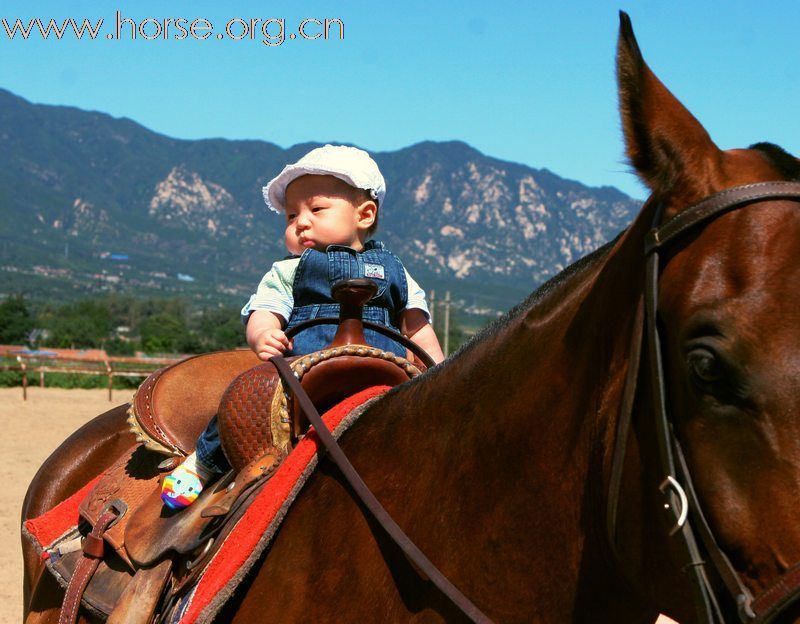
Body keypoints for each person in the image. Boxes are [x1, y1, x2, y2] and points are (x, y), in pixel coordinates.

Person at [161, 145, 445, 509]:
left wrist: (436, 370)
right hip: (301, 369)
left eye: (316, 209)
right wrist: (263, 335)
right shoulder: (289, 271)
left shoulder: (395, 270)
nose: (300, 222)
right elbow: (265, 311)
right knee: (245, 402)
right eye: (291, 215)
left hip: (384, 373)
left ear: (365, 214)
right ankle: (203, 463)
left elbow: (417, 329)